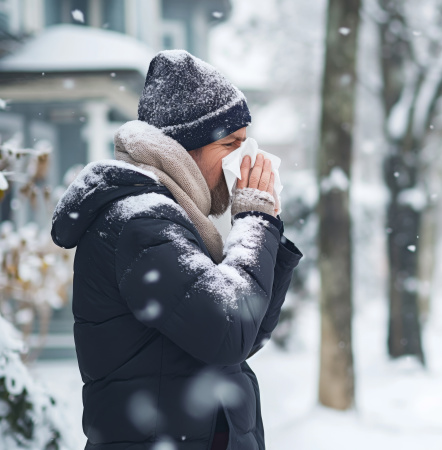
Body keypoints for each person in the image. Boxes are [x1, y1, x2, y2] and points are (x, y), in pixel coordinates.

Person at [51, 50, 302, 450]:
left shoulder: (177, 221)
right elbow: (229, 333)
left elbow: (246, 335)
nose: (245, 157)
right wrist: (256, 221)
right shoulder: (140, 224)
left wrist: (265, 227)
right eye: (231, 143)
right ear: (185, 148)